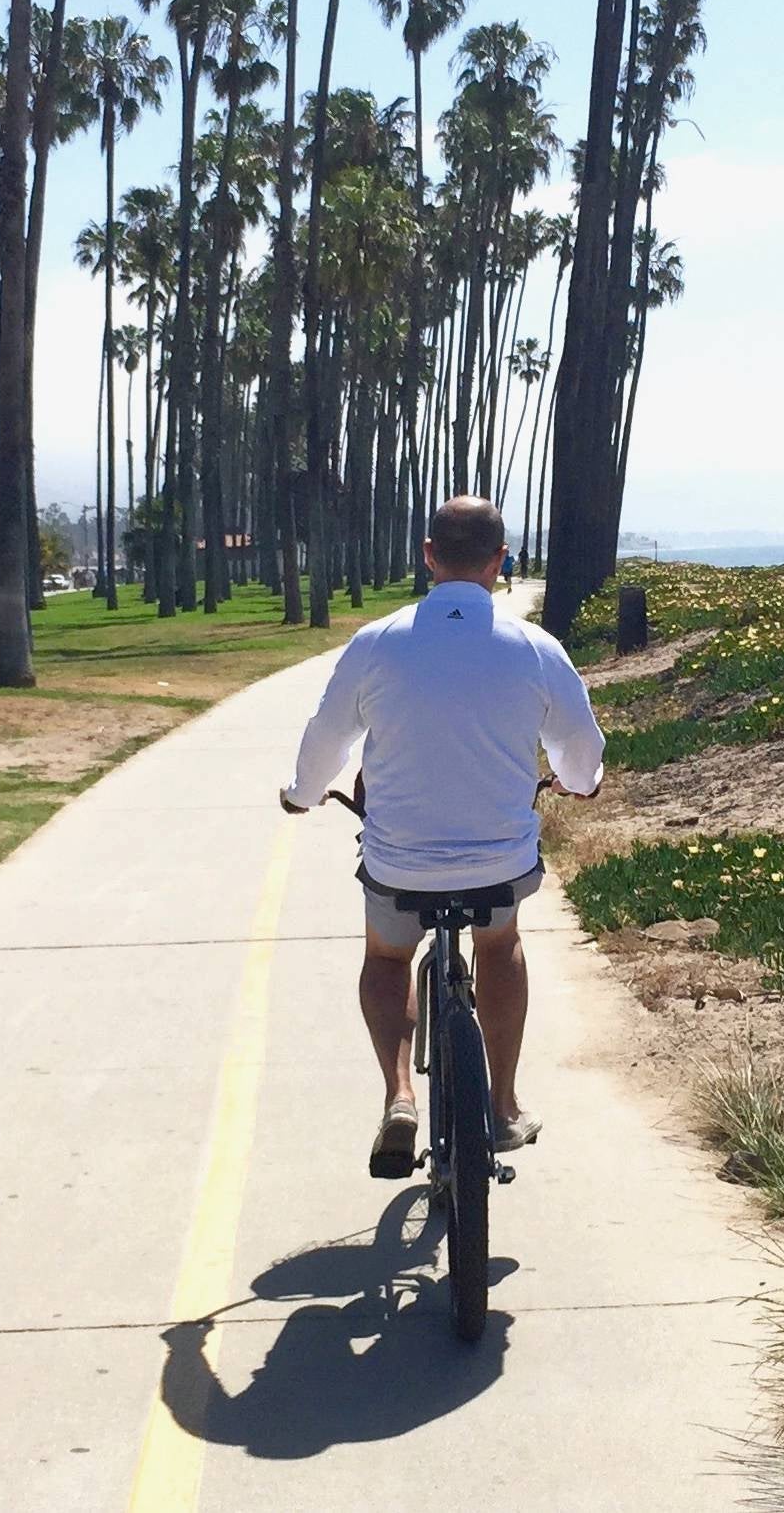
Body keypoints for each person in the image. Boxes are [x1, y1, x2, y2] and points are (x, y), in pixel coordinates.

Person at [280, 495, 605, 1179]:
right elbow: (580, 749)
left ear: (428, 556)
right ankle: (505, 1103)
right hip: (499, 866)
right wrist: (580, 783)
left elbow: (326, 742)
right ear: (501, 560)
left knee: (388, 959)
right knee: (501, 942)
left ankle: (400, 1097)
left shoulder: (377, 643)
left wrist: (302, 797)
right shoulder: (535, 648)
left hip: (401, 867)